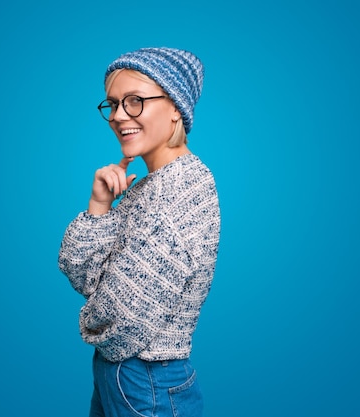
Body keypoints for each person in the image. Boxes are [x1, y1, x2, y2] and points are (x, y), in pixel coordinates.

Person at [58, 47, 221, 417]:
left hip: (146, 379)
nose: (118, 116)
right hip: (123, 375)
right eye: (113, 104)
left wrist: (91, 322)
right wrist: (99, 206)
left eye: (134, 101)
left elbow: (124, 316)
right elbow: (83, 274)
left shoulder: (181, 189)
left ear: (176, 108)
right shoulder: (147, 186)